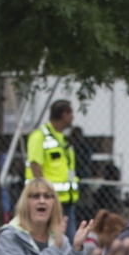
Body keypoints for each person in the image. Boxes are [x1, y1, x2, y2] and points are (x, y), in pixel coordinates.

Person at [26, 99, 80, 239]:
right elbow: (35, 165)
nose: (73, 117)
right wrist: (44, 194)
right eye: (71, 113)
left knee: (68, 242)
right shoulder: (40, 136)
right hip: (50, 202)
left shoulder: (62, 138)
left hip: (66, 200)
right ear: (64, 114)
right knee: (53, 240)